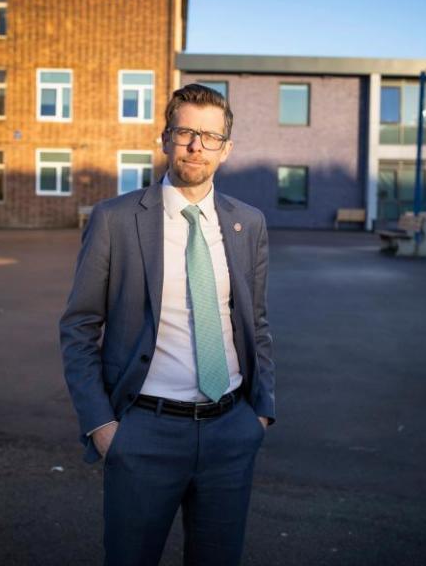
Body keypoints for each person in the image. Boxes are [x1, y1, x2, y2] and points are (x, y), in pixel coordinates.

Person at [59, 83, 275, 566]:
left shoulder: (249, 224)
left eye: (210, 136)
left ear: (226, 149)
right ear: (165, 139)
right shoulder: (115, 220)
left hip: (230, 433)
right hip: (144, 435)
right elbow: (79, 326)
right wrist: (101, 425)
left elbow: (256, 323)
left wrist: (260, 413)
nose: (197, 145)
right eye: (185, 132)